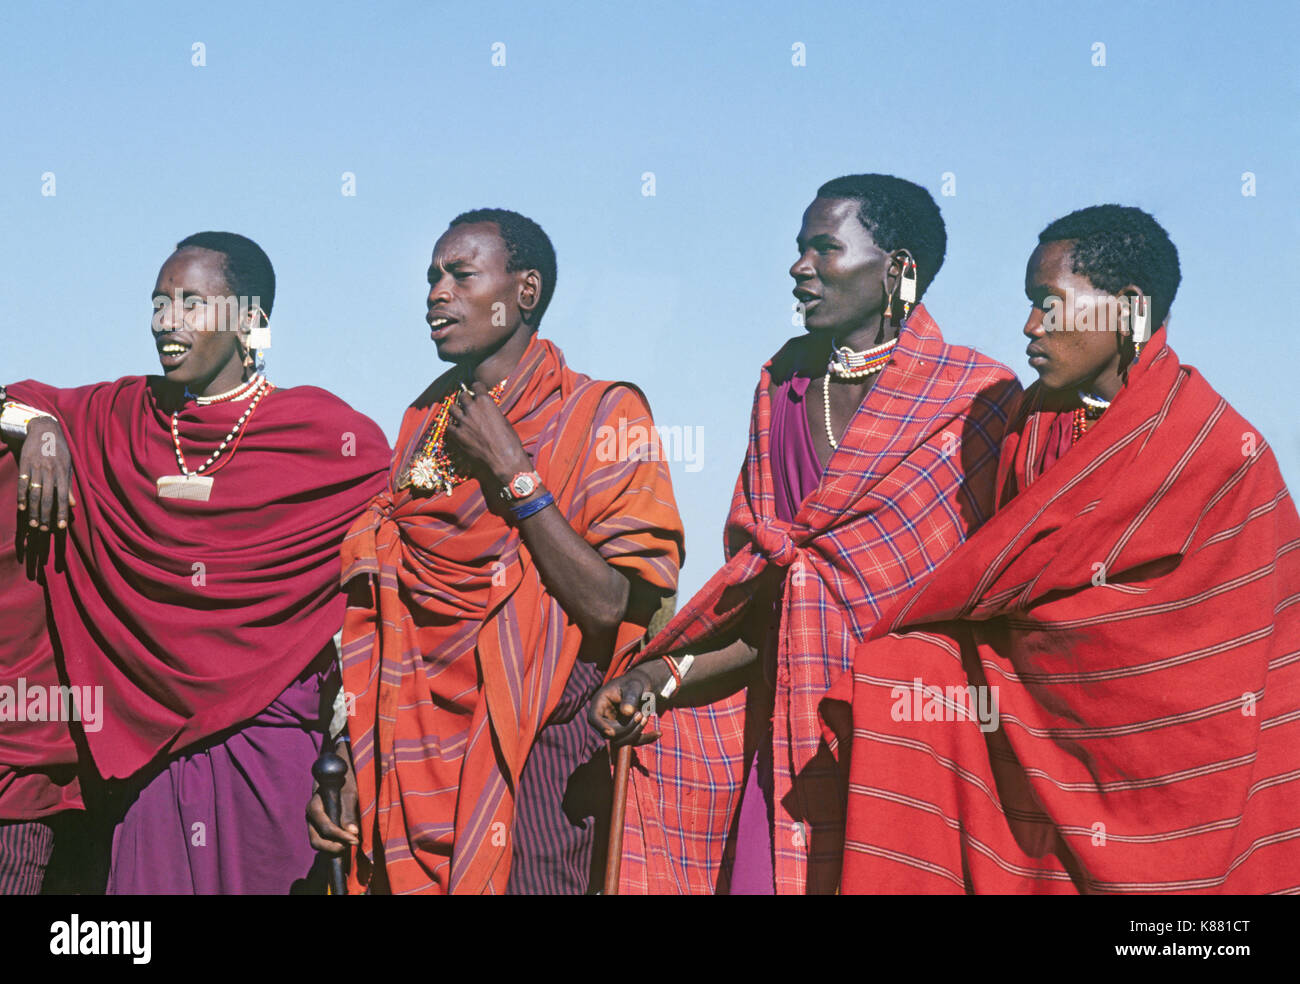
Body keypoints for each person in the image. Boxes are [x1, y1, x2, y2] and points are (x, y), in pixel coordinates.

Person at [823, 204, 1300, 893]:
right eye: (1028, 304)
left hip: (1186, 744)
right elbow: (1011, 587)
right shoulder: (1032, 428)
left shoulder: (1219, 446)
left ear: (1130, 311)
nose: (1029, 326)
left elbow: (1249, 628)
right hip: (1038, 712)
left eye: (1050, 303)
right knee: (901, 673)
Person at [588, 174, 1022, 894]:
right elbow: (764, 613)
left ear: (898, 269)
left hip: (915, 748)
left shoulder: (978, 399)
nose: (800, 267)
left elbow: (999, 609)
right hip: (786, 750)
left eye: (825, 247)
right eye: (799, 249)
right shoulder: (782, 386)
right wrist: (656, 676)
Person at [306, 208, 684, 894]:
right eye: (431, 277)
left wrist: (513, 469)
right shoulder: (423, 425)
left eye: (461, 274)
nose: (436, 293)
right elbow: (393, 620)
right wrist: (353, 754)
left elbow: (609, 604)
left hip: (542, 741)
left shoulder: (605, 415)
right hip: (413, 755)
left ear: (525, 292)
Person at [1, 231, 390, 893]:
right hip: (148, 763)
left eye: (191, 305)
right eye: (159, 304)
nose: (167, 324)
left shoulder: (322, 436)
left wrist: (355, 746)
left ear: (250, 322)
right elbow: (18, 397)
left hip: (271, 760)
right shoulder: (120, 415)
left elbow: (382, 586)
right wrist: (38, 430)